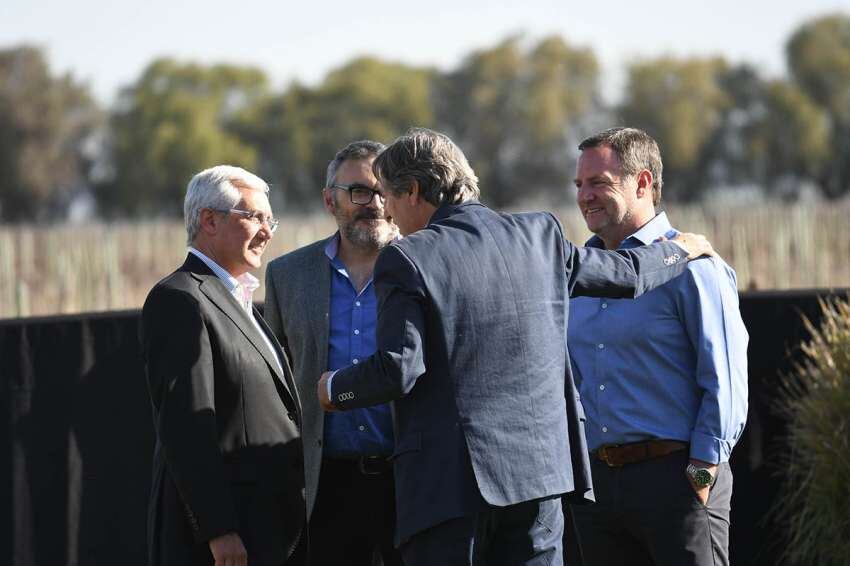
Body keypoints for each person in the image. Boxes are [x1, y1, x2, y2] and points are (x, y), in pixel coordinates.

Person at [316, 127, 716, 566]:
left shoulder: (407, 257)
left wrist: (335, 389)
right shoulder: (539, 235)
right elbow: (626, 274)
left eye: (389, 199)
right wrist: (679, 250)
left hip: (451, 492)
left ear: (412, 191)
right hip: (540, 483)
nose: (388, 215)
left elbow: (398, 369)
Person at [567, 127, 748, 566]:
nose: (585, 196)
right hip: (599, 488)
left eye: (599, 183)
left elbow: (725, 381)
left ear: (643, 183)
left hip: (677, 480)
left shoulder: (694, 267)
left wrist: (702, 472)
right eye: (579, 185)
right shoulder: (580, 272)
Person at [141, 165, 306, 566]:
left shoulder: (241, 300)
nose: (267, 231)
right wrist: (218, 529)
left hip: (272, 531)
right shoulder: (180, 299)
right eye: (254, 217)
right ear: (209, 220)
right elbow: (187, 425)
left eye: (271, 219)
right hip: (229, 543)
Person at [264, 140, 403, 565]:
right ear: (330, 200)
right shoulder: (288, 275)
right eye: (359, 191)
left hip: (410, 478)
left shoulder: (428, 264)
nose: (374, 203)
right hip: (326, 485)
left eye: (384, 191)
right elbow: (274, 386)